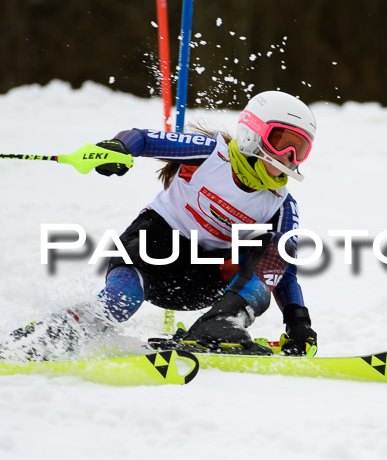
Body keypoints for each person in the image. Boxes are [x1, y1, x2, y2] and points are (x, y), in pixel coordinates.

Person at [3, 90, 318, 360]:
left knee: (277, 250)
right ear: (253, 132)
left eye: (299, 149)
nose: (288, 158)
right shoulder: (211, 154)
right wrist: (119, 147)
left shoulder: (281, 204)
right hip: (152, 247)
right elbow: (143, 138)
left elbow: (281, 271)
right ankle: (50, 335)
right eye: (281, 142)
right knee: (119, 301)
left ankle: (222, 324)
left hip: (201, 278)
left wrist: (297, 320)